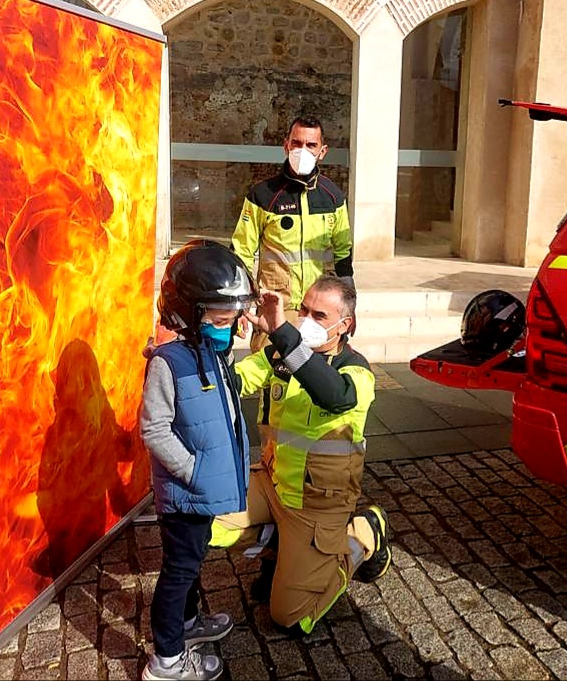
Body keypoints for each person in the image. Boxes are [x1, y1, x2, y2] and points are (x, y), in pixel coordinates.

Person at [211, 275, 390, 636]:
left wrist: (283, 334)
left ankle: (362, 536)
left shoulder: (356, 371)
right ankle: (281, 548)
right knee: (202, 525)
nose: (307, 320)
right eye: (304, 310)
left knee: (289, 617)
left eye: (319, 315)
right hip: (271, 484)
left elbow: (332, 395)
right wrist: (221, 332)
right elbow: (233, 381)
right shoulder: (279, 353)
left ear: (345, 325)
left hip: (317, 504)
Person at [140, 240, 258, 681]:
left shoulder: (212, 353)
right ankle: (167, 660)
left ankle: (187, 625)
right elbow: (154, 429)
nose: (229, 326)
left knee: (191, 562)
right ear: (189, 312)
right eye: (220, 317)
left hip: (200, 492)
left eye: (232, 317)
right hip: (185, 492)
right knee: (178, 570)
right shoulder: (168, 363)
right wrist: (192, 472)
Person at [231, 115, 354, 353]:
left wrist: (350, 307)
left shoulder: (333, 197)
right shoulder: (263, 195)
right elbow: (241, 252)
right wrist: (239, 306)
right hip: (276, 307)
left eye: (311, 145)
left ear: (323, 151)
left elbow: (343, 254)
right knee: (272, 377)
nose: (302, 150)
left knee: (316, 381)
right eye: (297, 144)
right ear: (286, 145)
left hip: (320, 311)